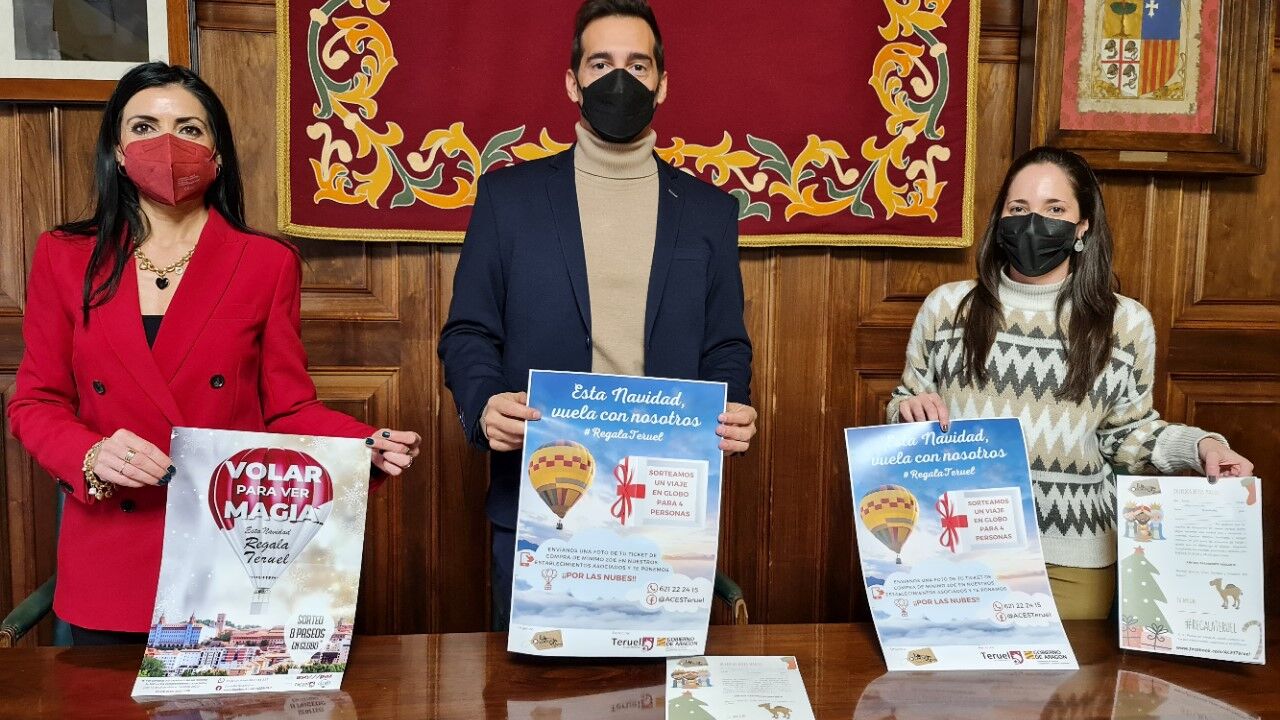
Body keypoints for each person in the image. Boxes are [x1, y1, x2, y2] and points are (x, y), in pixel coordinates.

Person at [7, 62, 422, 645]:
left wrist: (361, 445)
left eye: (189, 129)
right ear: (118, 151)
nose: (167, 144)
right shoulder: (64, 255)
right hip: (110, 554)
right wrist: (91, 453)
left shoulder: (266, 263)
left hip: (226, 552)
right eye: (144, 127)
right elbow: (36, 401)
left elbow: (288, 408)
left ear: (217, 154)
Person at [439, 0, 757, 630]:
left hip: (663, 505)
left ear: (661, 85)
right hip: (539, 503)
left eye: (638, 65)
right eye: (600, 63)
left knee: (655, 678)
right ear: (572, 81)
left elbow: (725, 344)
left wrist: (734, 406)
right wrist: (484, 403)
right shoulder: (509, 198)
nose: (620, 80)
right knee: (535, 681)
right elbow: (469, 331)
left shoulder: (709, 212)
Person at [886, 146, 1253, 620]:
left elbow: (1127, 434)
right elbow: (903, 405)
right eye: (1018, 209)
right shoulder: (948, 307)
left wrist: (1201, 446)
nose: (1033, 223)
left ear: (1082, 227)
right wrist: (907, 411)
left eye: (1055, 209)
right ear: (1000, 219)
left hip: (1074, 555)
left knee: (1077, 672)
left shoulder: (1125, 322)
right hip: (953, 549)